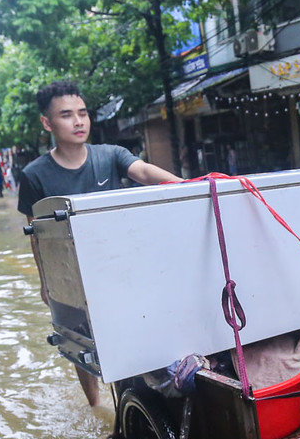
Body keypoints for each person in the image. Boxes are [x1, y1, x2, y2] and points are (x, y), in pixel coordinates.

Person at [18, 79, 182, 406]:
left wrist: (194, 185)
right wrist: (46, 283)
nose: (78, 121)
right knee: (81, 343)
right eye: (66, 115)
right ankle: (94, 404)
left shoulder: (110, 156)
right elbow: (37, 236)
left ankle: (137, 396)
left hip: (120, 265)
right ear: (47, 123)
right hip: (70, 274)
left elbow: (146, 173)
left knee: (133, 332)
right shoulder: (34, 174)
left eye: (82, 113)